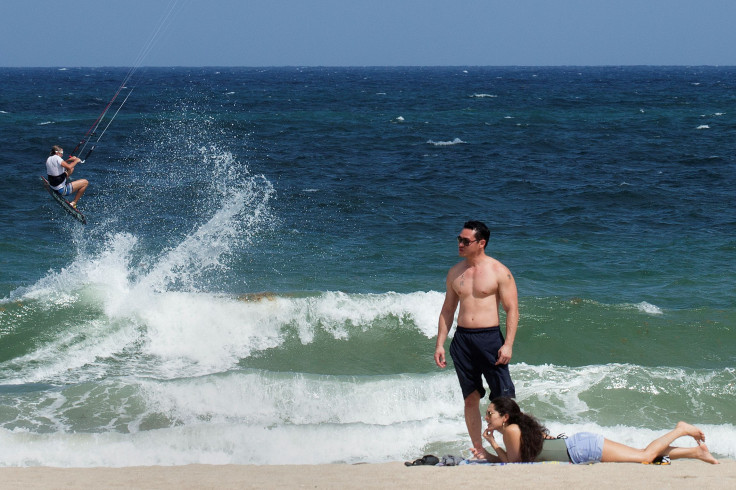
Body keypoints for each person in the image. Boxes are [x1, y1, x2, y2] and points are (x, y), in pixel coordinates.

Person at [434, 220, 518, 454]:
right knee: (470, 399)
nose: (460, 244)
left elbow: (512, 309)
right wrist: (440, 343)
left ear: (481, 243)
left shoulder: (499, 271)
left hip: (490, 339)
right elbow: (448, 310)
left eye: (465, 241)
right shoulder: (455, 272)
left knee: (504, 399)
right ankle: (479, 450)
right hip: (462, 341)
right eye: (459, 239)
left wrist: (508, 344)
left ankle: (514, 448)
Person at [469, 397, 719, 465]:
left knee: (643, 456)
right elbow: (514, 459)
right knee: (641, 454)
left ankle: (680, 429)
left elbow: (513, 464)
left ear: (505, 417)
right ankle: (695, 453)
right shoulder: (514, 430)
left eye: (490, 413)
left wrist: (492, 445)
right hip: (579, 446)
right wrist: (488, 456)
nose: (486, 416)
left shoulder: (511, 430)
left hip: (581, 449)